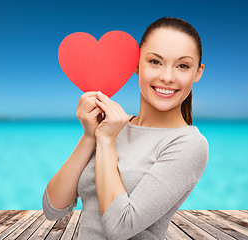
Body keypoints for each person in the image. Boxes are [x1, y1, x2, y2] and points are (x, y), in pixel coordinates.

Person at [42, 16, 209, 240]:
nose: (167, 77)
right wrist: (90, 135)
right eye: (155, 62)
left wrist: (107, 142)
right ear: (137, 65)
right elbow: (53, 209)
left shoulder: (189, 144)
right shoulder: (112, 125)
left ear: (197, 72)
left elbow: (120, 227)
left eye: (182, 66)